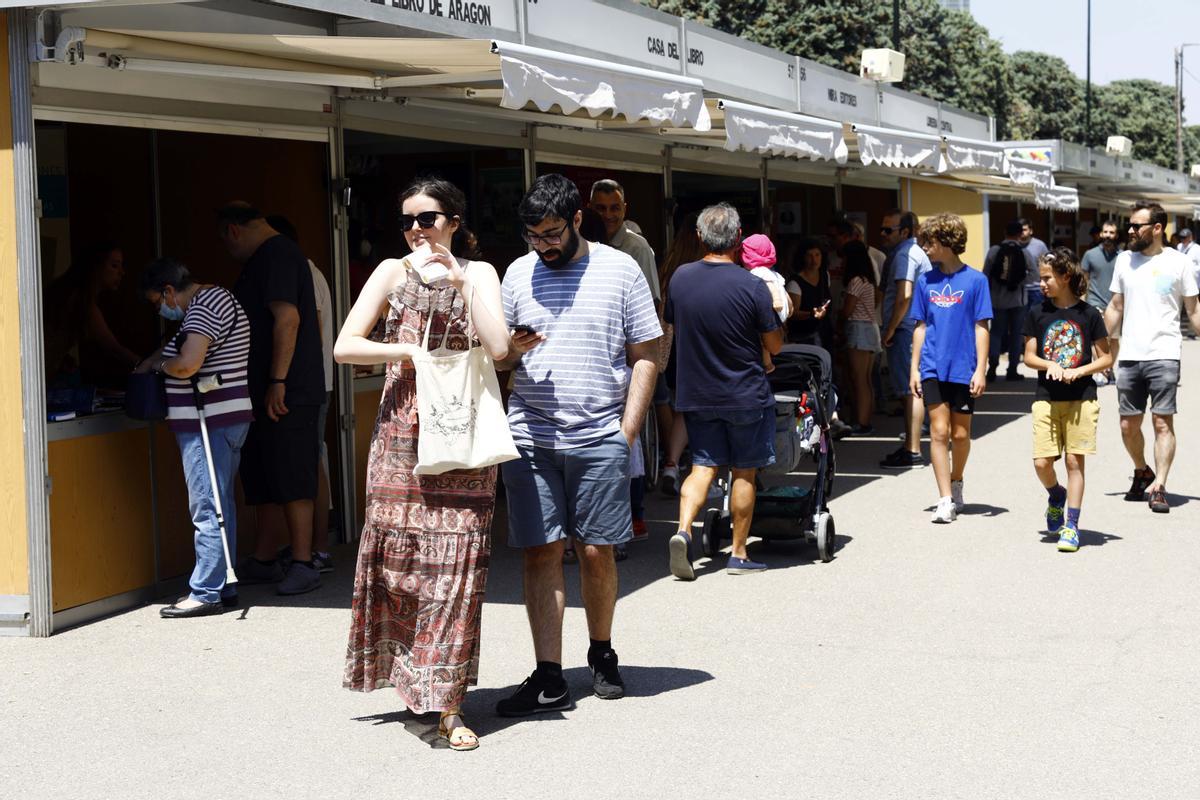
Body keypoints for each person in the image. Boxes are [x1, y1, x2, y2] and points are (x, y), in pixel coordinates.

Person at [337, 178, 508, 751]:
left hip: (461, 440)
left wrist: (461, 284)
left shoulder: (479, 273)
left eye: (428, 218)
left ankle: (451, 706)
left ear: (454, 221)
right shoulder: (390, 271)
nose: (416, 229)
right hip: (400, 441)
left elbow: (500, 347)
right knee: (400, 570)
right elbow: (345, 346)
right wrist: (410, 351)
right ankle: (414, 680)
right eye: (407, 220)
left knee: (456, 573)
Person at [496, 174, 660, 715]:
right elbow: (500, 359)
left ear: (576, 221)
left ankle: (602, 653)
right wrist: (509, 352)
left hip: (600, 434)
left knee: (595, 550)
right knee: (540, 551)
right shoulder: (517, 274)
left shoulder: (621, 269)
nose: (541, 245)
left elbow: (645, 353)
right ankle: (548, 675)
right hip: (532, 432)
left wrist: (627, 433)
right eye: (532, 236)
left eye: (550, 234)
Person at [665, 204, 782, 579]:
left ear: (699, 237)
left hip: (697, 393)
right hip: (745, 393)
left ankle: (683, 530)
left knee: (702, 467)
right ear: (738, 238)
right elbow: (775, 346)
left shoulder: (680, 278)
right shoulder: (752, 285)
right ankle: (739, 553)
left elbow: (673, 321)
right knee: (744, 473)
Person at [135, 258, 252, 617]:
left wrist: (157, 367)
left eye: (158, 302)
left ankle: (206, 590)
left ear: (169, 290)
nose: (162, 310)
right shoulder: (214, 302)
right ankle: (224, 581)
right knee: (220, 503)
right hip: (222, 417)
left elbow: (187, 364)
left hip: (209, 420)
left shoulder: (203, 307)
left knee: (206, 504)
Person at [220, 203, 325, 595]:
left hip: (287, 390)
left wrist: (278, 379)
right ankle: (265, 558)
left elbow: (289, 318)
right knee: (262, 473)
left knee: (293, 472)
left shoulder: (279, 254)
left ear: (233, 230)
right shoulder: (265, 258)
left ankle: (302, 561)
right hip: (263, 390)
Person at [1104, 202, 1200, 513]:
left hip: (1165, 353)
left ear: (1157, 228)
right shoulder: (1124, 261)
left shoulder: (1179, 263)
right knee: (1127, 426)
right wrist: (1096, 344)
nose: (1130, 231)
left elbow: (1193, 309)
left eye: (1136, 226)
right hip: (1131, 355)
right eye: (1129, 225)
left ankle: (1159, 484)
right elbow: (1116, 306)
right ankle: (1142, 469)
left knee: (1161, 422)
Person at [1021, 249, 1113, 553]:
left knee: (1075, 461)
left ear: (1066, 277)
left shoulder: (1089, 315)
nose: (1042, 283)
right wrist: (1052, 366)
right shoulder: (1037, 312)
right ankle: (1055, 494)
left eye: (1047, 277)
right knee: (1042, 462)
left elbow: (1107, 358)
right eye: (1041, 277)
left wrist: (1080, 370)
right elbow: (1030, 357)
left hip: (1082, 398)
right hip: (1046, 397)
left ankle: (1071, 526)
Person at [908, 213, 991, 523]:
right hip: (932, 366)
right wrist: (914, 368)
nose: (925, 249)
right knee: (939, 431)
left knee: (960, 434)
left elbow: (982, 326)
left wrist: (981, 368)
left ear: (945, 242)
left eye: (929, 243)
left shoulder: (976, 280)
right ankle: (944, 498)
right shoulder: (925, 281)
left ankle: (956, 481)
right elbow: (920, 326)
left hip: (963, 367)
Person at [266, 215, 335, 574]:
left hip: (309, 382)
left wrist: (283, 377)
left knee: (311, 462)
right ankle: (312, 546)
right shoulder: (307, 270)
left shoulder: (303, 271)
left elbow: (312, 330)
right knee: (311, 460)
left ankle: (318, 548)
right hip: (309, 381)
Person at [44, 242, 141, 388]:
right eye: (114, 266)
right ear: (95, 266)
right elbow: (114, 349)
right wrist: (150, 365)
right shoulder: (81, 302)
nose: (122, 272)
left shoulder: (71, 295)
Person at [879, 210, 933, 469]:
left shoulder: (905, 254)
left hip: (905, 330)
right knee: (912, 387)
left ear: (905, 232)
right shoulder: (912, 252)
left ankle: (912, 449)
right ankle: (911, 446)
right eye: (883, 229)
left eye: (888, 230)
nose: (883, 235)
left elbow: (904, 295)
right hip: (911, 328)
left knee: (910, 390)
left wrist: (889, 329)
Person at [657, 213, 706, 497]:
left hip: (669, 348)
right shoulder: (699, 271)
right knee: (695, 412)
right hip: (692, 347)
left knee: (679, 409)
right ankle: (698, 471)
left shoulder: (669, 268)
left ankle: (671, 463)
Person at [590, 179, 661, 303]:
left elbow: (650, 302)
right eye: (601, 208)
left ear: (624, 209)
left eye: (614, 208)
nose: (607, 215)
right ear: (589, 208)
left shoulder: (639, 248)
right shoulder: (583, 244)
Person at [837, 240, 881, 434]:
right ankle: (865, 419)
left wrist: (838, 317)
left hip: (859, 329)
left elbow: (847, 310)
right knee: (866, 379)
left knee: (859, 379)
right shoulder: (868, 280)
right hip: (870, 329)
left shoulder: (856, 281)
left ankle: (862, 423)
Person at [984, 221, 1034, 381]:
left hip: (997, 301)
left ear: (1005, 232)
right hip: (1019, 301)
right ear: (1020, 234)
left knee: (996, 333)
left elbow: (985, 274)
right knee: (1016, 335)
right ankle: (1012, 369)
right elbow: (1034, 273)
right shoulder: (1024, 253)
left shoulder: (994, 250)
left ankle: (992, 368)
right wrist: (1021, 282)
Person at [740, 233, 791, 373]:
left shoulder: (758, 273)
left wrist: (778, 302)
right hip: (779, 317)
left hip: (771, 312)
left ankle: (767, 364)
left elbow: (774, 291)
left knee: (763, 343)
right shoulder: (773, 273)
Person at [1081, 220, 1120, 381]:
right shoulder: (1090, 255)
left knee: (1114, 339)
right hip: (1094, 302)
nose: (1108, 236)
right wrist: (1082, 303)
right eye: (1105, 232)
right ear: (1101, 234)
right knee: (1097, 339)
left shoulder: (1123, 256)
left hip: (1116, 304)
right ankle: (1099, 371)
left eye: (1111, 232)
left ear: (1116, 235)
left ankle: (1109, 368)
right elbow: (1084, 280)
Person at [785, 240, 832, 349]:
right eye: (809, 255)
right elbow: (792, 313)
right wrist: (811, 314)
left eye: (817, 255)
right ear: (803, 258)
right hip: (804, 335)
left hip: (824, 331)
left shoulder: (825, 276)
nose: (814, 260)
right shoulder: (795, 283)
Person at [1020, 217, 1050, 309]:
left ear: (1031, 231)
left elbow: (1048, 264)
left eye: (1025, 229)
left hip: (1036, 289)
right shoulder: (1014, 245)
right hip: (1019, 290)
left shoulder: (1039, 245)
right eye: (1020, 230)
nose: (1022, 232)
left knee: (1036, 318)